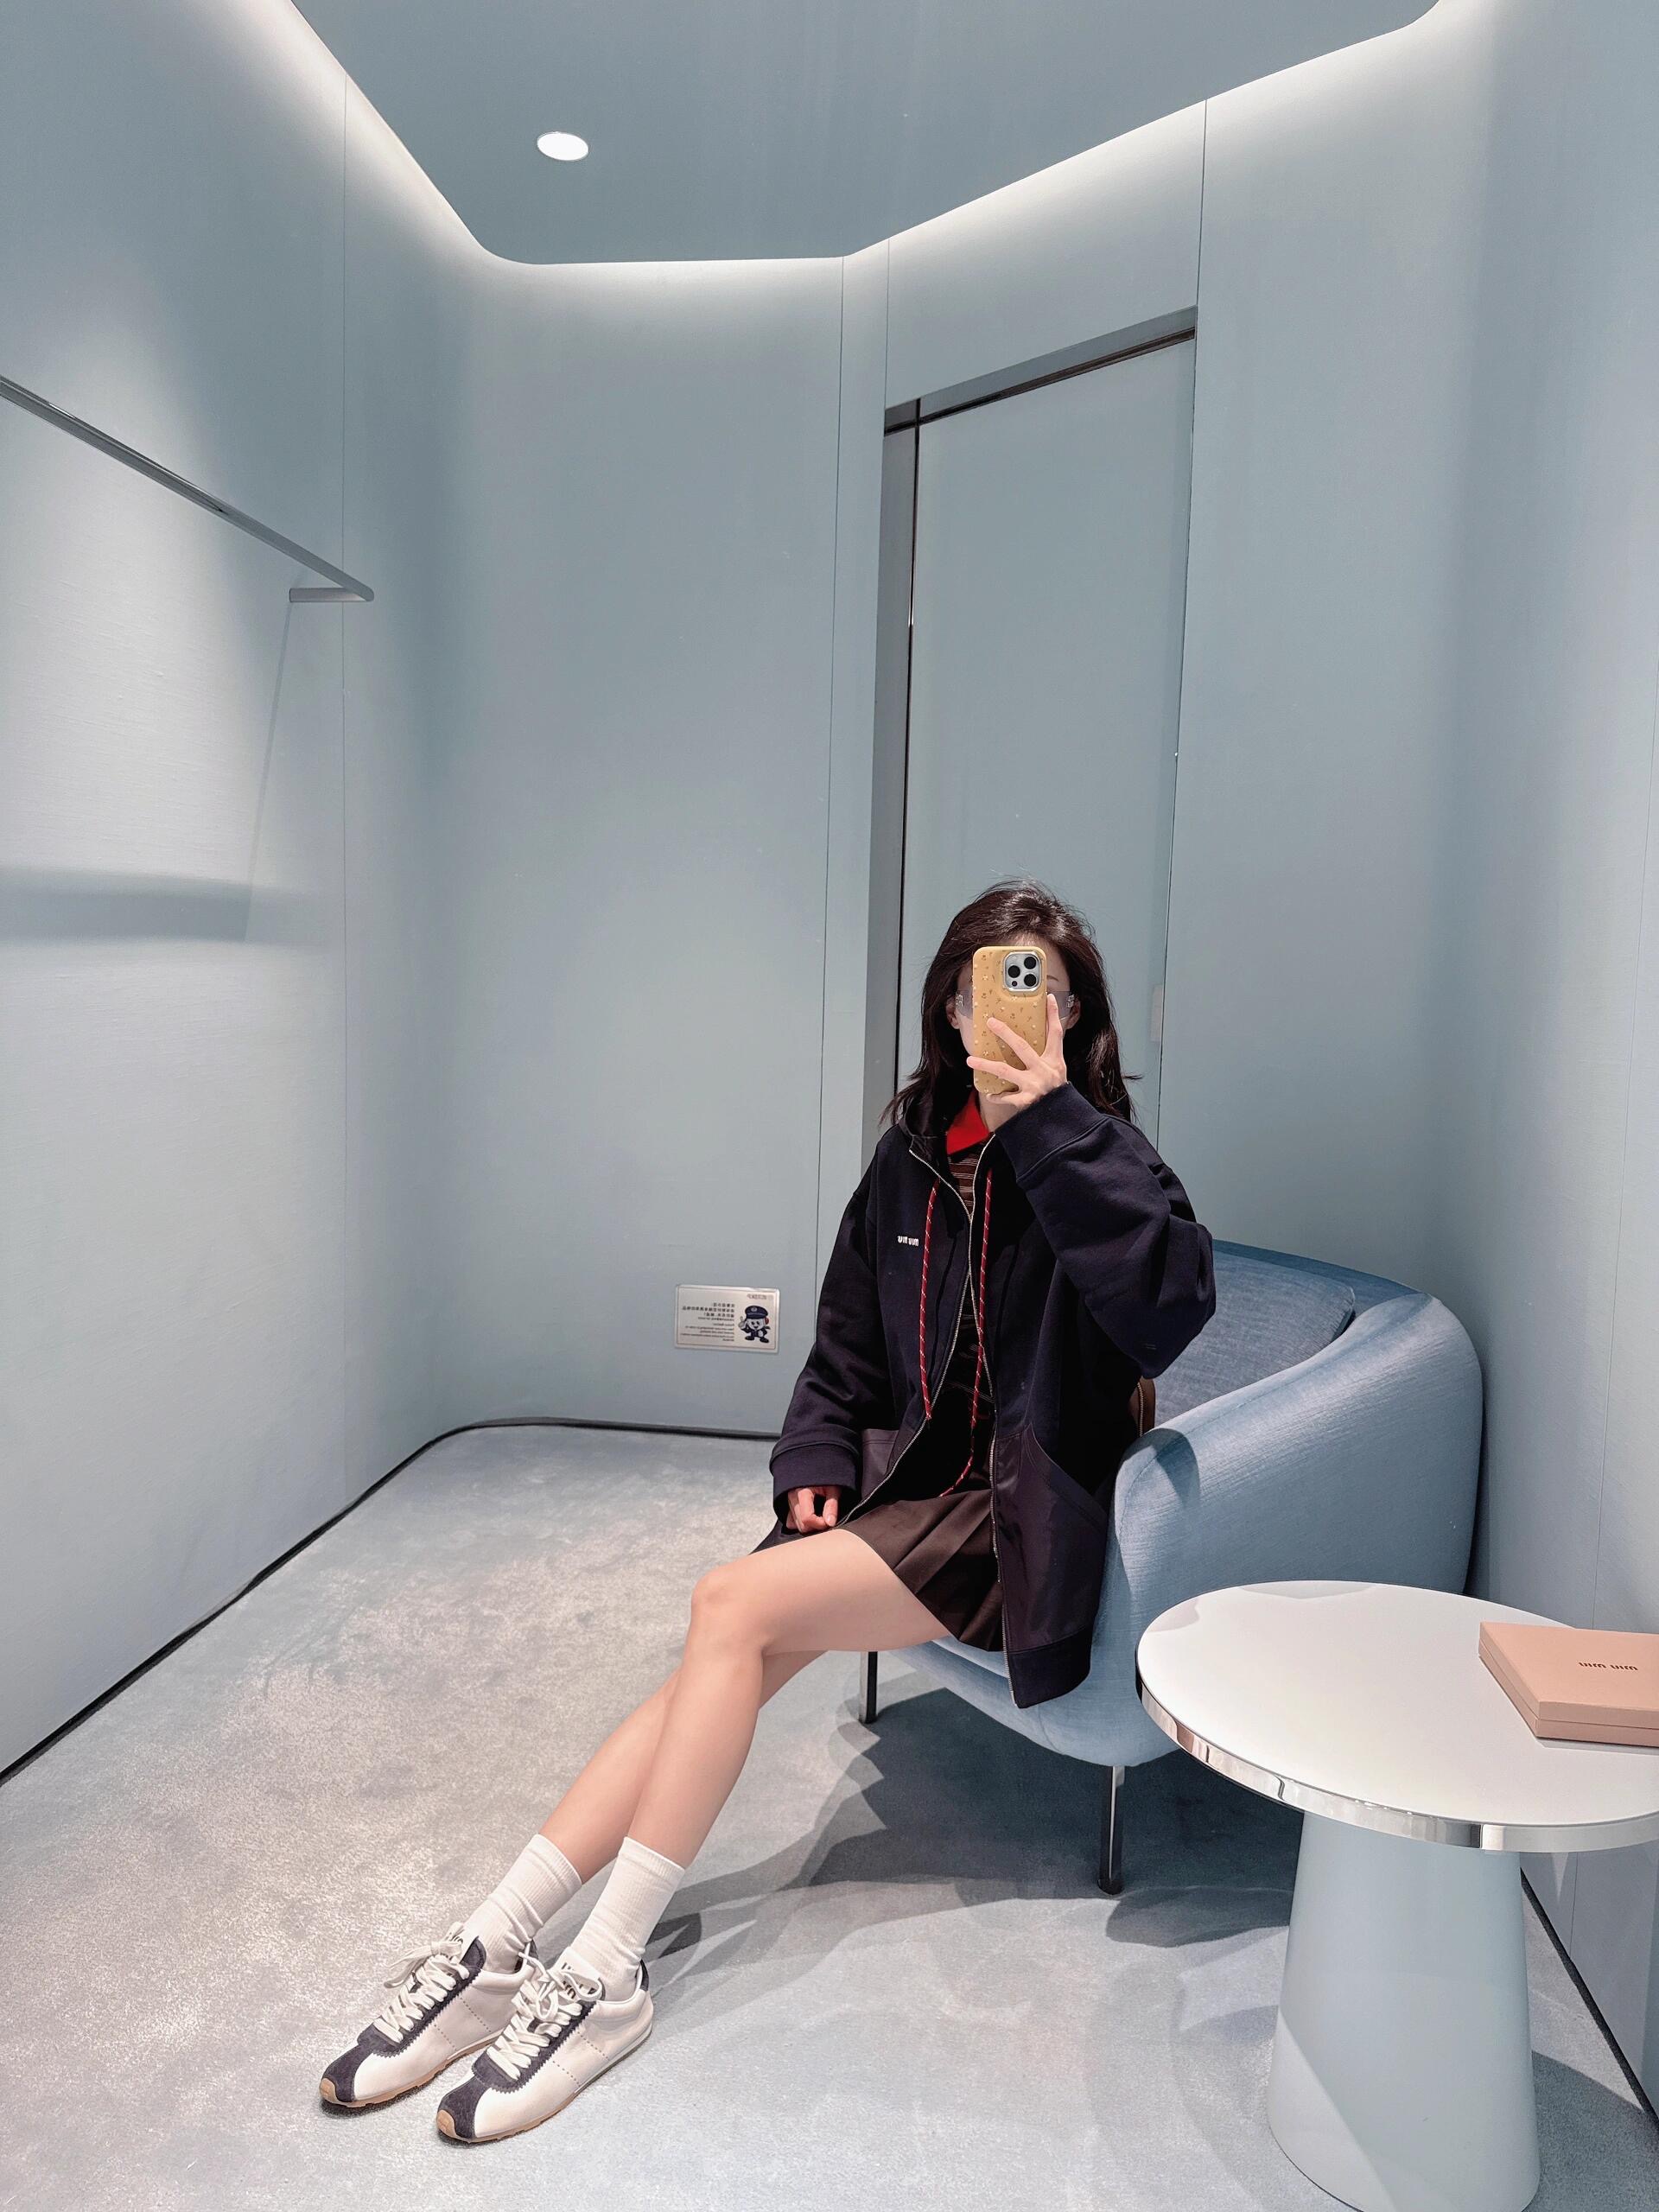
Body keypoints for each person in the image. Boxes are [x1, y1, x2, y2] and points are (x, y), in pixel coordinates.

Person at [318, 875, 1216, 2144]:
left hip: (1019, 1518)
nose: (1018, 1014)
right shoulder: (911, 1158)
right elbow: (846, 1342)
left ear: (1077, 1019)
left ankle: (604, 1974)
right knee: (721, 1649)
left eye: (1046, 994)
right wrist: (816, 1454)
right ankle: (494, 1945)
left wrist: (1055, 1127)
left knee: (727, 1607)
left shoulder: (1101, 1152)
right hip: (908, 1487)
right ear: (951, 1010)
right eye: (992, 990)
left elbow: (1171, 1307)